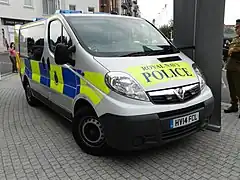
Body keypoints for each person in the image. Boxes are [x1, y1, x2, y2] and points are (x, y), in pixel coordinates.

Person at [224, 19, 240, 116]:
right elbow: (229, 52)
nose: (236, 29)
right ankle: (234, 105)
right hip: (230, 66)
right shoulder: (235, 39)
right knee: (232, 88)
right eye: (236, 27)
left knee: (239, 88)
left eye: (238, 27)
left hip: (238, 67)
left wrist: (233, 53)